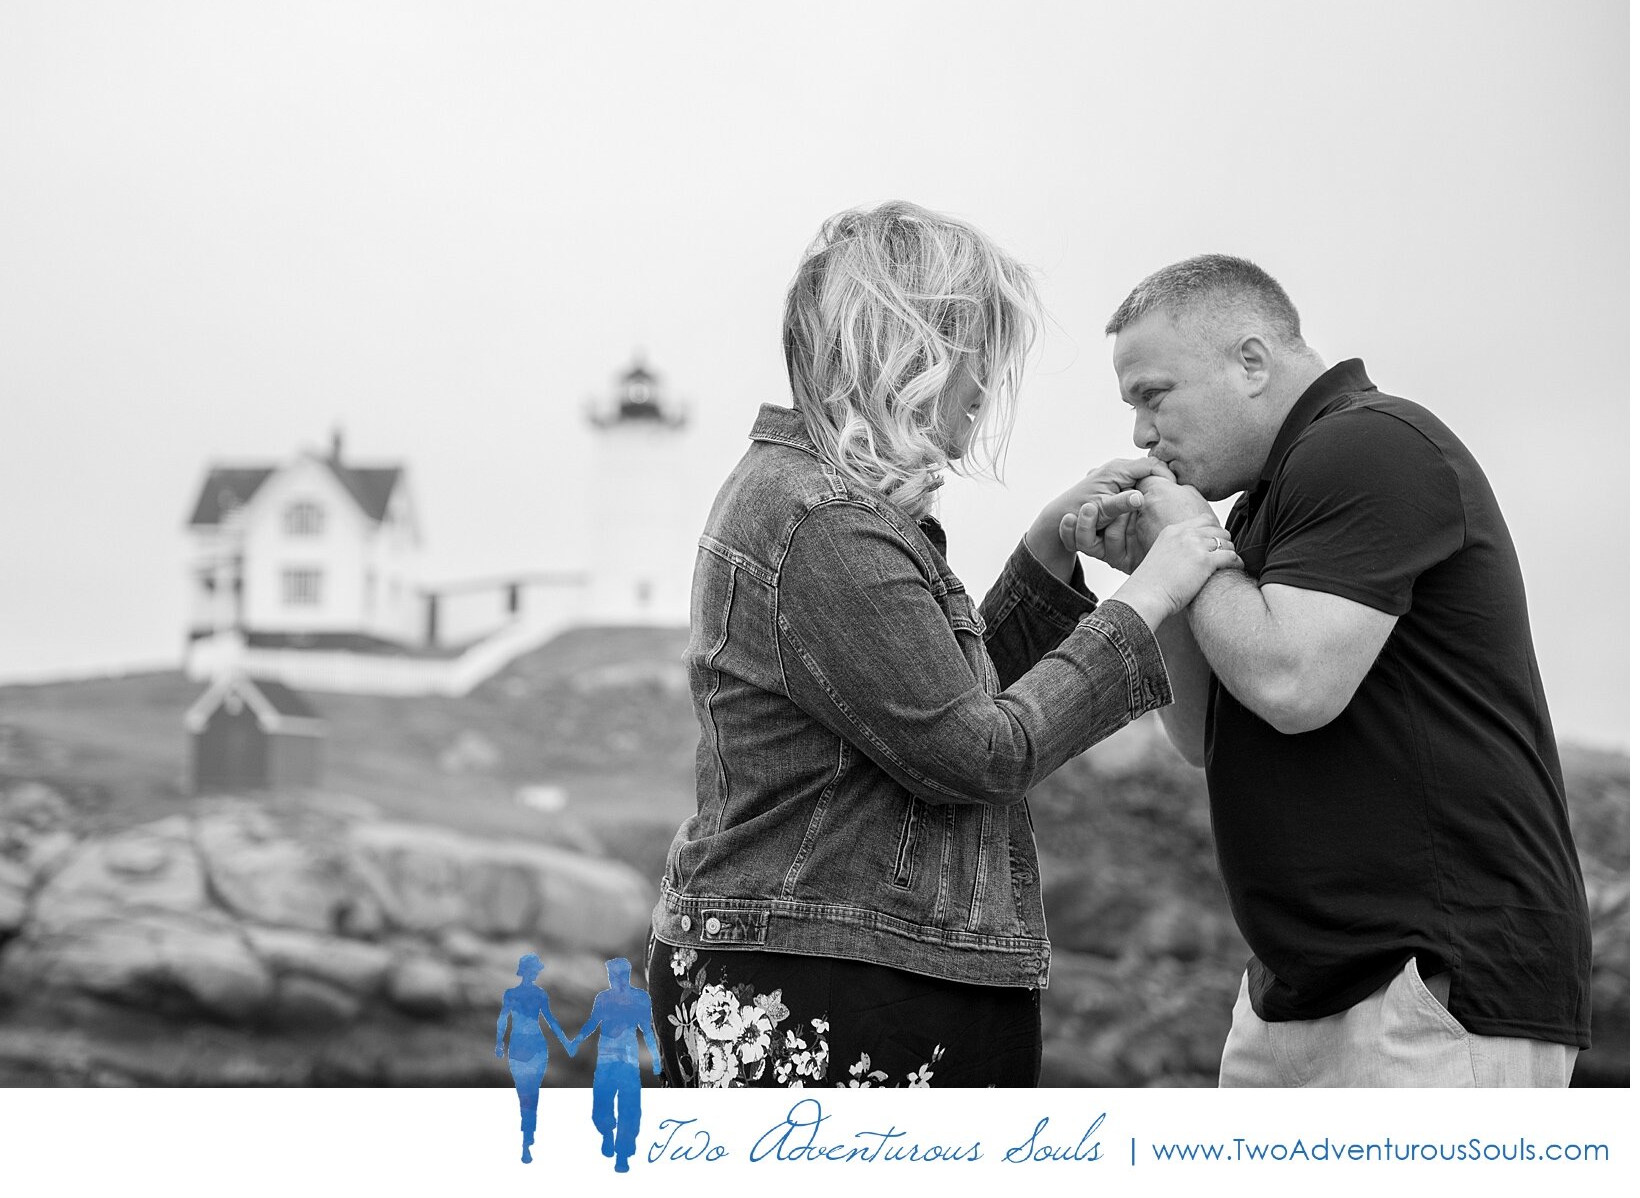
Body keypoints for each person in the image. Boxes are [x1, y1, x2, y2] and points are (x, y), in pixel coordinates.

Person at [647, 201, 1242, 1088]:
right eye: (980, 356)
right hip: (826, 983)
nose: (988, 387)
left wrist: (1048, 552)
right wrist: (1151, 594)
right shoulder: (821, 523)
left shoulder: (823, 505)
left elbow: (934, 710)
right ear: (914, 348)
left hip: (837, 964)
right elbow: (979, 753)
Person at [1064, 252, 1591, 1087]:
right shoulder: (1273, 498)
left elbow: (1291, 685)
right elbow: (1206, 736)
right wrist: (1158, 574)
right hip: (1305, 993)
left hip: (1429, 990)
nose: (1139, 434)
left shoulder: (1370, 444)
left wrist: (1197, 544)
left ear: (1251, 361)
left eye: (1153, 395)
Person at [569, 958, 662, 1172]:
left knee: (629, 1108)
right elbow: (593, 1023)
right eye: (612, 976)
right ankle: (607, 1134)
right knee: (601, 1108)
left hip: (628, 1061)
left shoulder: (639, 999)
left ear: (626, 976)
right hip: (606, 1059)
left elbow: (648, 1031)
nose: (614, 980)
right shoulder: (603, 999)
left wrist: (657, 1059)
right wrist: (577, 1042)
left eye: (618, 976)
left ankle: (623, 1153)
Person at [493, 953, 574, 1162]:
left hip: (528, 1045)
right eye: (535, 970)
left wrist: (566, 1042)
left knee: (528, 1094)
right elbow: (550, 1021)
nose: (537, 973)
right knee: (527, 1094)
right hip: (527, 1045)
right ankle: (526, 1140)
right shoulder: (523, 994)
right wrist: (499, 1043)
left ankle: (527, 1141)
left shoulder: (525, 994)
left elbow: (550, 1020)